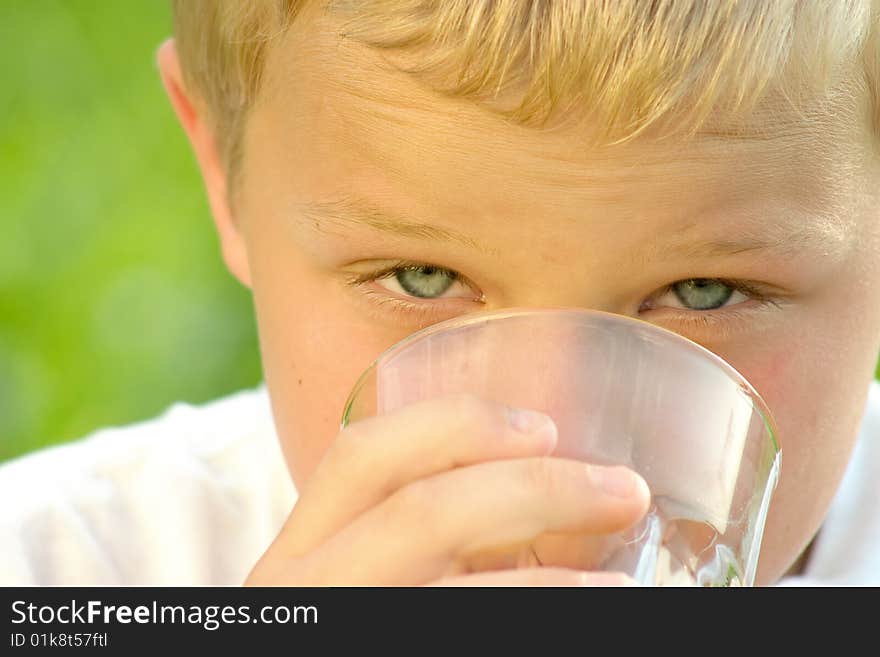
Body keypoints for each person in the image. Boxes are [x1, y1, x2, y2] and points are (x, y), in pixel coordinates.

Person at [1, 0, 879, 586]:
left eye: (706, 291)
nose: (565, 497)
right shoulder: (56, 568)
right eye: (424, 279)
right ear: (223, 175)